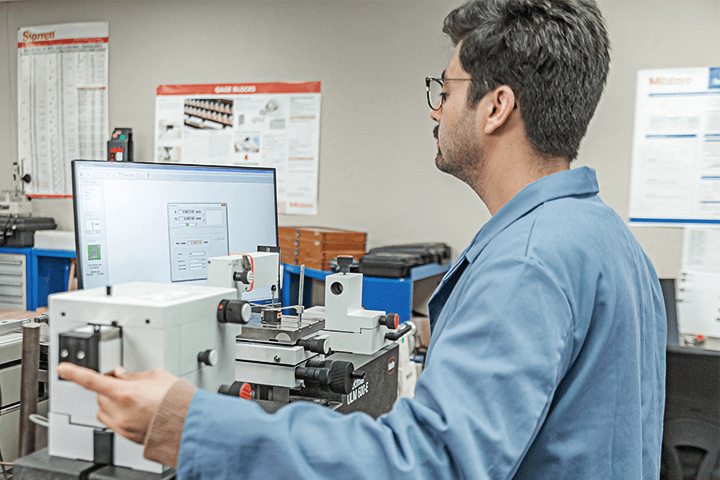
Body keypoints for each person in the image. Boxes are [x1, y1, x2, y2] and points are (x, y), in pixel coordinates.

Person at [58, 0, 667, 478]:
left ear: (496, 106)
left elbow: (426, 463)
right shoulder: (605, 236)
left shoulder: (528, 263)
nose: (436, 110)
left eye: (446, 90)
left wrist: (189, 425)